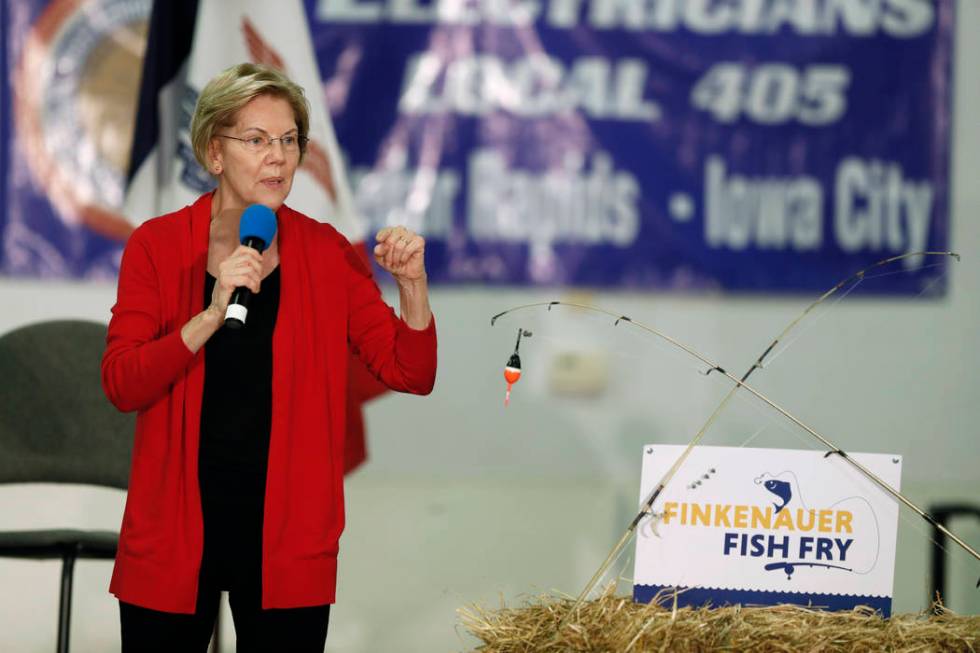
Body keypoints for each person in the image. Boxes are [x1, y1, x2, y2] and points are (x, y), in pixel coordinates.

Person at [101, 62, 437, 651]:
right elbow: (123, 383)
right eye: (256, 140)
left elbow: (411, 372)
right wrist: (207, 317)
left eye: (289, 141)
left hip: (285, 538)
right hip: (176, 533)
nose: (278, 158)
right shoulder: (155, 246)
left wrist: (411, 287)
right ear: (213, 152)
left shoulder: (327, 253)